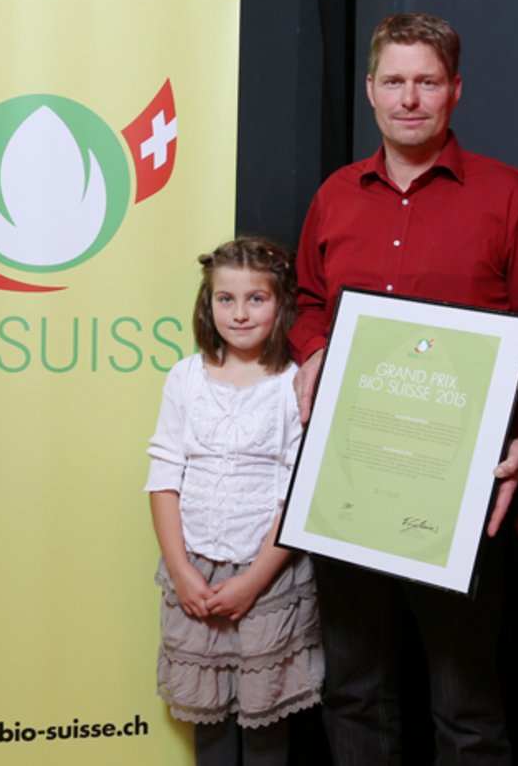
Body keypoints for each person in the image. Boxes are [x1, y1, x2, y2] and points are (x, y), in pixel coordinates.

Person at [289, 13, 518, 765]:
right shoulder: (335, 195)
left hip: (457, 485)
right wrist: (314, 350)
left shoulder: (511, 197)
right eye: (394, 81)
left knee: (465, 704)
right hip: (348, 474)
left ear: (454, 90)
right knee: (353, 688)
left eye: (426, 81)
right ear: (370, 91)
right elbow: (309, 303)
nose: (409, 98)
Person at [145, 237, 324, 766]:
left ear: (281, 304)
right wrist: (180, 571)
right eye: (226, 299)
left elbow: (299, 493)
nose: (240, 313)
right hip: (196, 569)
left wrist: (252, 582)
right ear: (209, 304)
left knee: (266, 730)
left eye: (256, 300)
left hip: (269, 573)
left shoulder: (295, 384)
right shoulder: (185, 376)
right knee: (210, 727)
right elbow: (163, 475)